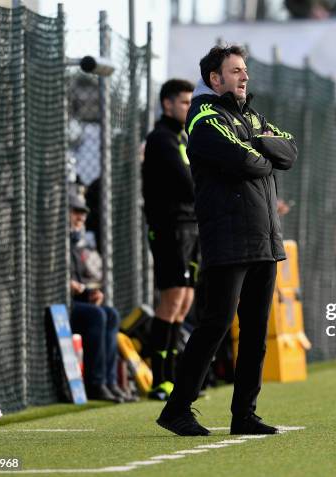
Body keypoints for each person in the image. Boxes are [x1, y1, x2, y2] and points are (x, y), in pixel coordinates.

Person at [157, 45, 297, 436]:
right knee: (215, 325)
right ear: (215, 78)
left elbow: (289, 149)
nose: (244, 76)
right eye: (235, 71)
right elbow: (246, 161)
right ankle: (177, 409)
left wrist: (262, 146)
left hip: (264, 240)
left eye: (244, 70)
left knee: (254, 330)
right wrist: (263, 150)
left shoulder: (251, 115)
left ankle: (244, 414)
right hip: (228, 238)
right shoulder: (203, 115)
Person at [142, 79, 198, 401]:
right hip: (169, 227)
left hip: (191, 227)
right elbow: (187, 182)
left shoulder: (183, 136)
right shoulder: (161, 139)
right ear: (167, 104)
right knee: (172, 299)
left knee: (185, 301)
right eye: (184, 103)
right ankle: (158, 379)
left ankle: (174, 377)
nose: (189, 108)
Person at [68, 191, 135, 403]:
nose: (82, 218)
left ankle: (109, 381)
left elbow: (78, 284)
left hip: (74, 303)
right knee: (97, 315)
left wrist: (89, 294)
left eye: (83, 214)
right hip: (58, 306)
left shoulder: (73, 247)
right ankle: (96, 383)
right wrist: (68, 286)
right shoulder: (53, 244)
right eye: (76, 212)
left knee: (111, 314)